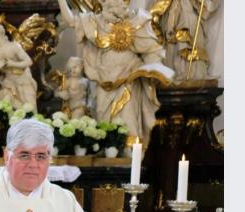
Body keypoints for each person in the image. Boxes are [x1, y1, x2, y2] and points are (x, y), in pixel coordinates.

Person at [57, 0, 173, 145]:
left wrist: (153, 69)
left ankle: (130, 152)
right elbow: (70, 20)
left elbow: (152, 50)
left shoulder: (137, 21)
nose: (112, 5)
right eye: (109, 3)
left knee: (129, 122)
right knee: (102, 119)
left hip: (129, 79)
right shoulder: (95, 22)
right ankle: (108, 150)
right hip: (104, 81)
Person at [158, 0, 219, 81]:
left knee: (188, 37)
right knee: (176, 41)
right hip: (174, 16)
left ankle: (191, 72)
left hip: (189, 16)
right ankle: (177, 71)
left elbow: (209, 7)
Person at [0, 23, 38, 111]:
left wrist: (13, 64)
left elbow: (28, 61)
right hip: (8, 84)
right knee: (7, 106)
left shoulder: (14, 46)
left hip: (23, 81)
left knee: (30, 109)